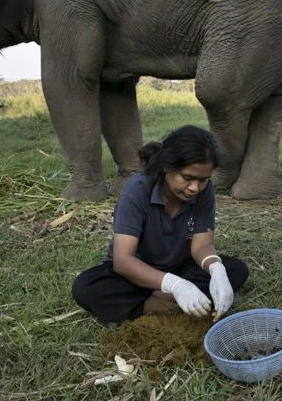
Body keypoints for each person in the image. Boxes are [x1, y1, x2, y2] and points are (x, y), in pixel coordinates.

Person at [72, 125, 249, 324]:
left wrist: (216, 269)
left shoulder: (203, 192)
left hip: (180, 267)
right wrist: (175, 285)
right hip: (136, 274)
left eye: (203, 180)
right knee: (86, 288)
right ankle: (149, 303)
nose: (194, 188)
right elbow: (123, 261)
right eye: (187, 178)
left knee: (235, 269)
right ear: (167, 166)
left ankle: (166, 298)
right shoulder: (137, 190)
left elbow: (201, 245)